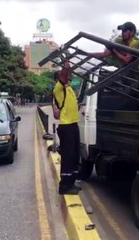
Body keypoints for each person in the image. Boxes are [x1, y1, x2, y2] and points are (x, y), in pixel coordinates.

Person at [52, 61, 81, 195]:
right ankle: (64, 186)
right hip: (66, 126)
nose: (68, 75)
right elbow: (64, 74)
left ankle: (72, 182)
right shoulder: (58, 88)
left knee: (75, 155)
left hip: (73, 124)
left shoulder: (69, 88)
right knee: (68, 156)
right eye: (64, 74)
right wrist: (67, 63)